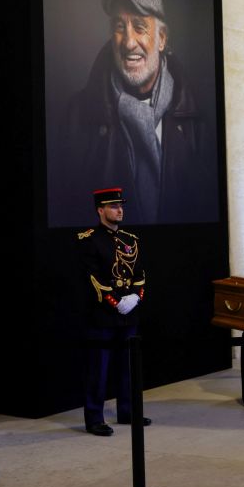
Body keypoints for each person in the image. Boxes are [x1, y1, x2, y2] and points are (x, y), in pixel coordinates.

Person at [59, 0, 214, 225]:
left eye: (140, 27)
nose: (129, 42)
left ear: (161, 39)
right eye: (120, 27)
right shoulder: (76, 116)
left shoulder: (198, 117)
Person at [78, 187, 150, 436]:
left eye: (120, 206)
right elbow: (93, 278)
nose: (119, 210)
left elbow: (140, 274)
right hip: (103, 315)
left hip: (129, 312)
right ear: (100, 210)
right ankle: (94, 417)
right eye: (112, 206)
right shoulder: (89, 239)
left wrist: (134, 298)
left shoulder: (131, 240)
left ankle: (128, 411)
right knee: (99, 367)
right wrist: (115, 301)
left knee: (129, 365)